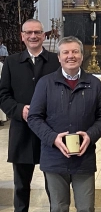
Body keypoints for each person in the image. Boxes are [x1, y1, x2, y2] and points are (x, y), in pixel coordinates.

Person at [27, 36, 101, 212]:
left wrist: (90, 135)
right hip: (54, 156)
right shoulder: (45, 83)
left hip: (84, 157)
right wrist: (53, 138)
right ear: (59, 57)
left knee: (86, 207)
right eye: (65, 52)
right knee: (58, 207)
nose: (70, 56)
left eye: (75, 51)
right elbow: (34, 117)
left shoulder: (94, 83)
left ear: (82, 55)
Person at [0, 19, 59, 212]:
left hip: (50, 131)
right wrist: (19, 110)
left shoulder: (55, 61)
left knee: (54, 184)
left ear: (44, 35)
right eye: (28, 33)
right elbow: (3, 95)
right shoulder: (11, 62)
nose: (33, 36)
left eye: (37, 32)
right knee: (21, 185)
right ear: (22, 36)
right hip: (21, 131)